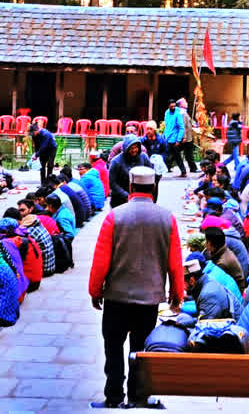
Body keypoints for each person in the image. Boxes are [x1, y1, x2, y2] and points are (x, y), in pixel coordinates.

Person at [88, 166, 183, 409]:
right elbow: (175, 262)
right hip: (149, 300)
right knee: (140, 350)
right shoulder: (167, 218)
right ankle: (137, 396)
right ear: (153, 188)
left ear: (130, 187)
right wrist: (177, 293)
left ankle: (114, 397)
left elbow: (101, 260)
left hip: (117, 297)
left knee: (113, 347)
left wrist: (95, 290)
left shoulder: (115, 216)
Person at [182, 253, 239, 320]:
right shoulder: (205, 281)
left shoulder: (208, 293)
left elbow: (206, 326)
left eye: (181, 282)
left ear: (191, 280)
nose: (182, 287)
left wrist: (180, 307)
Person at [107, 135, 151, 208]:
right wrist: (126, 196)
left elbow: (150, 175)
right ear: (126, 148)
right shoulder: (116, 161)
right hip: (120, 200)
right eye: (131, 148)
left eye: (136, 147)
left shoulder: (144, 157)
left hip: (140, 199)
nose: (134, 150)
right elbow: (112, 183)